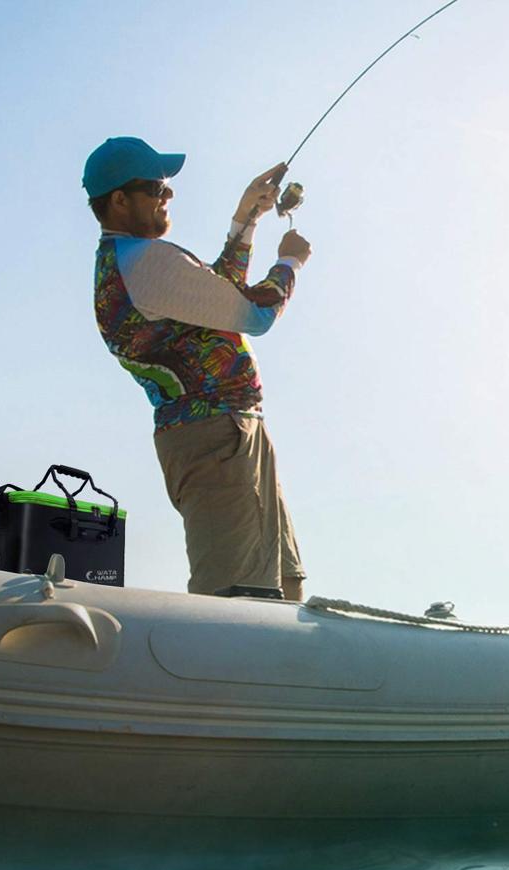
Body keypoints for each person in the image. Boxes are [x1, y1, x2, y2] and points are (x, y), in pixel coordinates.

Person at [83, 136, 311, 600]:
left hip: (231, 434)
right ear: (119, 200)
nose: (168, 195)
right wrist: (290, 261)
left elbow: (217, 295)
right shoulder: (145, 262)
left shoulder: (134, 261)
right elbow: (253, 314)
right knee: (240, 600)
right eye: (157, 186)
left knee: (284, 590)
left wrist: (247, 218)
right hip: (215, 440)